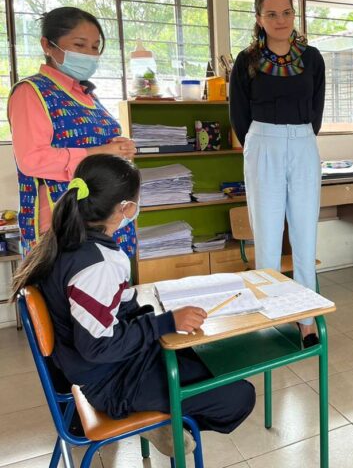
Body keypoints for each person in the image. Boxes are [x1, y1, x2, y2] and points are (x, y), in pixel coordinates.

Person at [11, 154, 255, 456]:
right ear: (124, 208)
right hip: (112, 382)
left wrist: (159, 319)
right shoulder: (97, 265)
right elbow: (97, 346)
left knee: (209, 358)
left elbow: (108, 312)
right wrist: (165, 324)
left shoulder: (68, 238)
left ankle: (160, 418)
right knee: (239, 395)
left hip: (114, 366)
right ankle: (152, 420)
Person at [229, 0, 325, 347]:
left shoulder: (312, 57)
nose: (280, 20)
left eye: (286, 12)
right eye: (271, 13)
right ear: (258, 18)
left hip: (302, 142)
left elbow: (316, 108)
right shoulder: (247, 60)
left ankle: (306, 317)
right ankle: (268, 312)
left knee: (304, 233)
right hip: (262, 142)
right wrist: (262, 141)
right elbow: (239, 114)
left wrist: (298, 136)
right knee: (267, 235)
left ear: (294, 16)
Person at [8, 6, 137, 258]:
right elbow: (32, 160)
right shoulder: (32, 92)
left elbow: (92, 143)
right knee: (75, 292)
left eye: (95, 47)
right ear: (47, 45)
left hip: (105, 218)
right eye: (80, 45)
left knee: (108, 292)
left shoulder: (87, 94)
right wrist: (99, 152)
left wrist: (118, 147)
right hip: (63, 225)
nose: (90, 54)